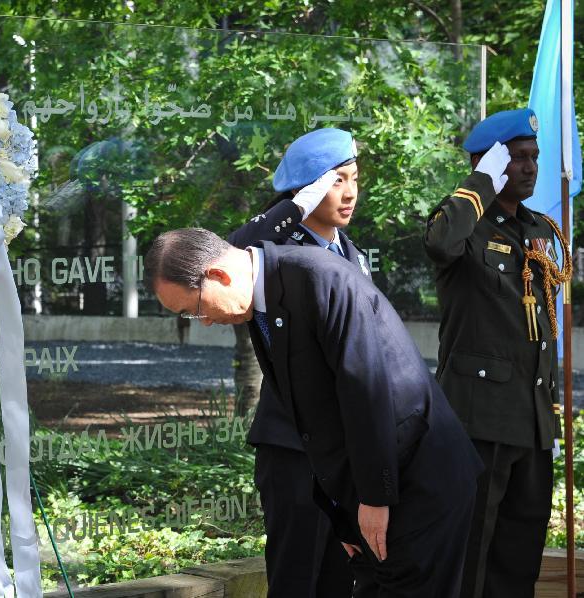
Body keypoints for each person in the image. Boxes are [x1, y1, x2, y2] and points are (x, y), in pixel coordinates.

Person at [145, 228, 483, 598]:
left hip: (419, 481)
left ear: (218, 276)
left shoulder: (319, 277)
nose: (205, 321)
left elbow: (367, 392)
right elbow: (313, 422)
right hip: (377, 494)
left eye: (193, 310)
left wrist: (373, 500)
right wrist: (344, 519)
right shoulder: (264, 300)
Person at [423, 108, 572, 598]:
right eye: (516, 157)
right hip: (478, 420)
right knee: (472, 553)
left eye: (534, 157)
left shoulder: (538, 229)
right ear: (487, 163)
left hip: (531, 420)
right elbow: (441, 243)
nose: (529, 166)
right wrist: (479, 182)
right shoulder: (464, 225)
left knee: (519, 552)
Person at [226, 127, 367, 597]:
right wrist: (294, 208)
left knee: (338, 580)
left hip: (346, 447)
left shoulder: (353, 256)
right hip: (293, 447)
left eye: (353, 178)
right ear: (306, 191)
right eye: (335, 182)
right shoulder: (274, 250)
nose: (348, 193)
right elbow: (227, 254)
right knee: (296, 579)